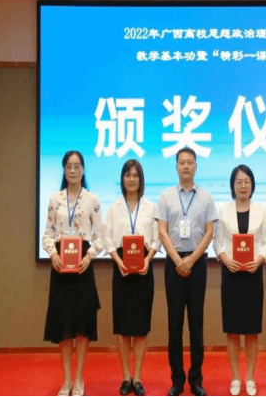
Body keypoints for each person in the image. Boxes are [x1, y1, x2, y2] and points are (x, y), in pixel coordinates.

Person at [156, 147, 218, 397]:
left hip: (197, 263)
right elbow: (162, 232)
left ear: (196, 166)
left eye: (190, 162)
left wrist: (191, 260)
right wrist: (178, 260)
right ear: (176, 166)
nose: (186, 166)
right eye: (182, 162)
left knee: (196, 324)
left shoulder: (206, 197)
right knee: (174, 324)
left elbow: (210, 232)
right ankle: (177, 380)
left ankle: (196, 379)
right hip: (173, 264)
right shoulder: (166, 196)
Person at [42, 151, 104, 397]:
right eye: (69, 166)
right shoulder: (54, 200)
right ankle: (66, 379)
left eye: (77, 166)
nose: (73, 170)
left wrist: (90, 256)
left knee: (82, 325)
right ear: (64, 169)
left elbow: (100, 237)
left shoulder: (92, 200)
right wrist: (52, 254)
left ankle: (79, 379)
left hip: (83, 266)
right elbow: (48, 235)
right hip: (60, 266)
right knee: (64, 326)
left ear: (83, 169)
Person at [214, 165, 266, 397]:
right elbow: (217, 243)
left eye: (247, 181)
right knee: (232, 330)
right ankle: (235, 377)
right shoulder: (224, 211)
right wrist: (225, 260)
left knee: (251, 331)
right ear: (232, 185)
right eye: (239, 182)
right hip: (231, 275)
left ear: (252, 184)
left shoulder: (261, 210)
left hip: (252, 274)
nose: (243, 186)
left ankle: (250, 377)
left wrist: (259, 260)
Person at [104, 159, 160, 397]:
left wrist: (148, 259)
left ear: (141, 179)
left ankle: (137, 377)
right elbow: (108, 240)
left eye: (135, 175)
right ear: (122, 179)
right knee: (123, 327)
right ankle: (125, 376)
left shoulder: (151, 207)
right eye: (127, 175)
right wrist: (119, 262)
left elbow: (156, 239)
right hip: (122, 270)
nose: (131, 179)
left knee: (140, 327)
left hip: (144, 268)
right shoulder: (114, 208)